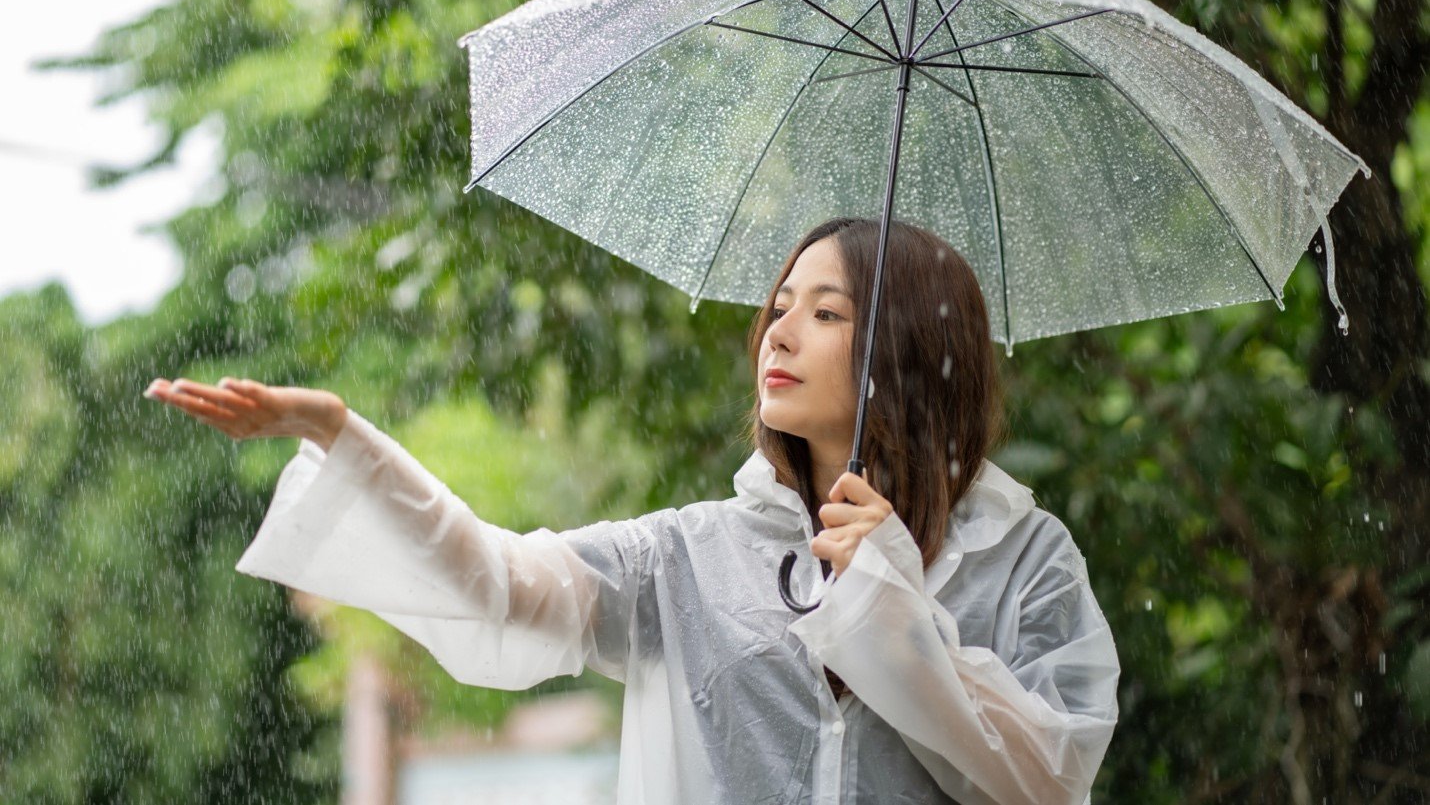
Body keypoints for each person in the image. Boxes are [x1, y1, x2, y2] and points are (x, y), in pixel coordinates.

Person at [144, 216, 1120, 804]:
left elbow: (1047, 777)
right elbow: (497, 581)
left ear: (902, 348)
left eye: (824, 312)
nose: (778, 329)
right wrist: (343, 437)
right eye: (778, 304)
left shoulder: (1021, 555)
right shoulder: (688, 554)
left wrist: (892, 608)